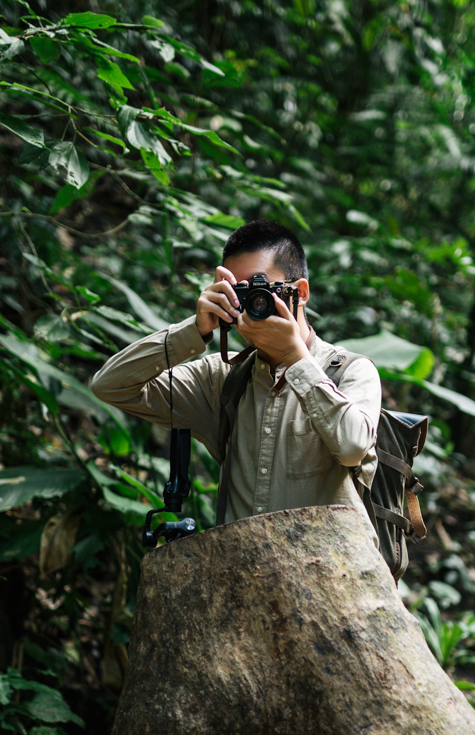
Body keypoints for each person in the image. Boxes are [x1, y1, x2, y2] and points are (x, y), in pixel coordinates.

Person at [90, 219, 381, 534]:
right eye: (240, 293)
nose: (252, 305)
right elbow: (111, 385)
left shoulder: (350, 371)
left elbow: (353, 448)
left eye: (262, 289)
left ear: (301, 292)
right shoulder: (223, 378)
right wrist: (195, 329)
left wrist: (295, 358)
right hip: (241, 577)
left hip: (326, 578)